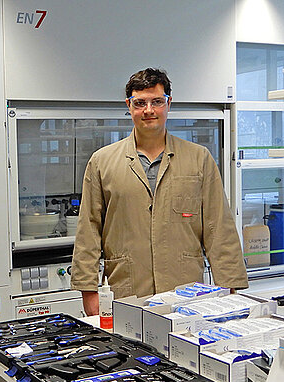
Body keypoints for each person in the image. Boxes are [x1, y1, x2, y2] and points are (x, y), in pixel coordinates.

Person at [71, 67, 247, 315]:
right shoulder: (102, 162)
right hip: (127, 292)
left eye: (157, 102)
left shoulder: (199, 159)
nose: (149, 110)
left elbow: (219, 228)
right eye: (140, 103)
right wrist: (89, 294)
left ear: (168, 103)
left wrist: (229, 292)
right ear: (129, 105)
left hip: (186, 295)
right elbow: (88, 232)